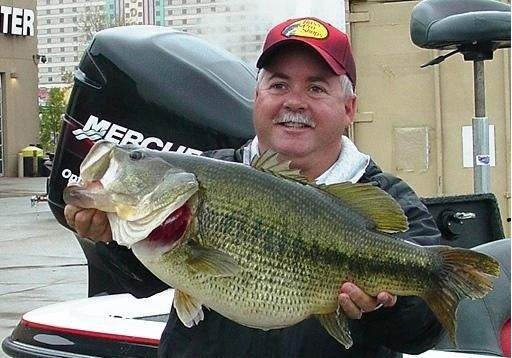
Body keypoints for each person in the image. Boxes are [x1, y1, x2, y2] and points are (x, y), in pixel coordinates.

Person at [64, 17, 444, 358]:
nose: (294, 102)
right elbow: (139, 282)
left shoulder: (387, 199)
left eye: (316, 88)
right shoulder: (212, 173)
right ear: (257, 96)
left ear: (349, 108)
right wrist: (106, 236)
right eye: (278, 84)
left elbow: (423, 332)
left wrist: (387, 307)